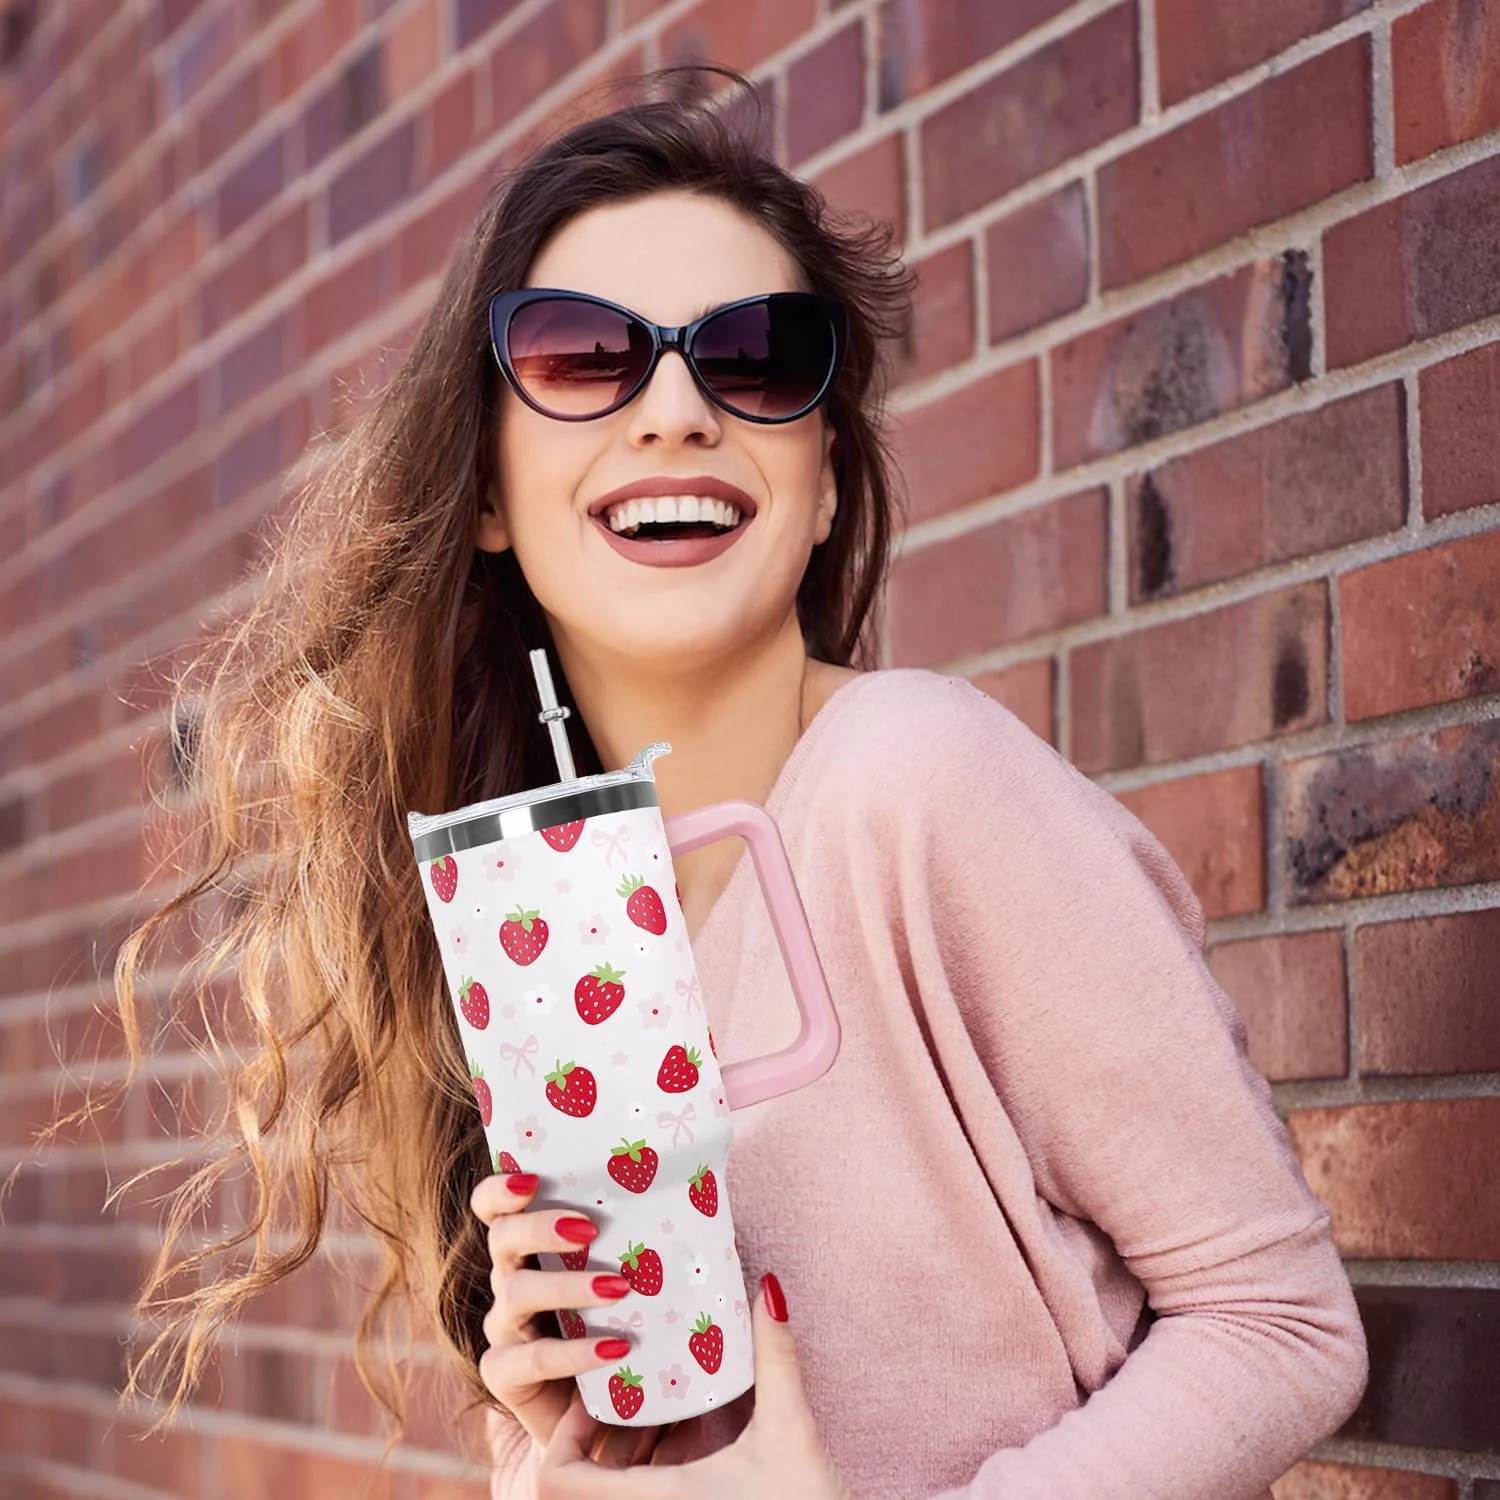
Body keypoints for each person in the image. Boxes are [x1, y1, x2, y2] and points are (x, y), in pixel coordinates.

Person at [97, 70, 1366, 1500]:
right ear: (494, 497)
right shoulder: (545, 923)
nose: (679, 408)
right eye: (584, 357)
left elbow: (1284, 1329)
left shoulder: (917, 785)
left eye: (758, 357)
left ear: (824, 482)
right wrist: (549, 1440)